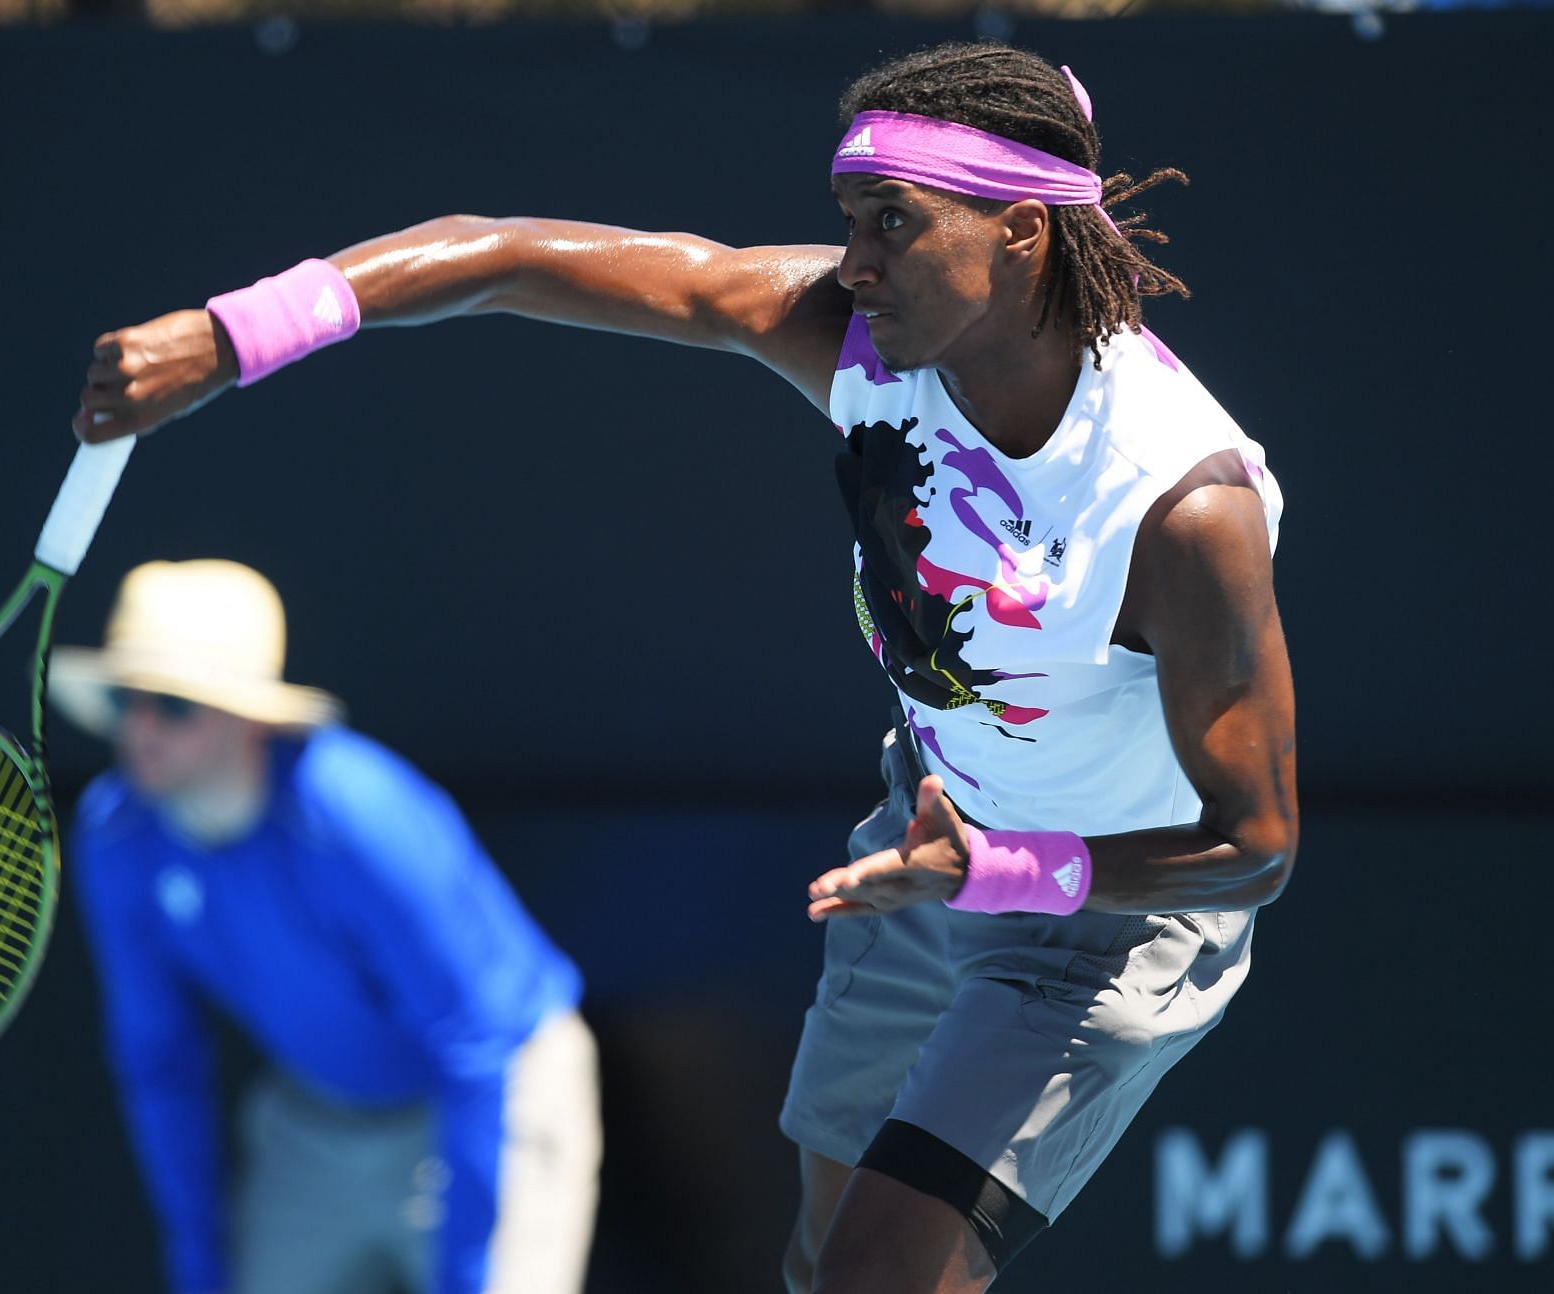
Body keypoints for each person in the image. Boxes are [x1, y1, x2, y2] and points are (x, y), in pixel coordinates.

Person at [65, 41, 1297, 1294]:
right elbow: (506, 257)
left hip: (1099, 913)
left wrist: (1003, 872)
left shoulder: (1179, 507)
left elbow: (1255, 845)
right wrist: (231, 338)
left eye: (893, 224)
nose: (853, 262)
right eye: (848, 223)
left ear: (1024, 233)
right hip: (928, 841)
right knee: (821, 1265)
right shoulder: (857, 338)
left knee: (880, 1275)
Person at [50, 558, 601, 1294]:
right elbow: (160, 1059)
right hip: (317, 1121)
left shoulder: (357, 816)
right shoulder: (116, 839)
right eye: (127, 699)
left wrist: (469, 1272)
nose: (141, 728)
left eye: (173, 704)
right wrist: (198, 1259)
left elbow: (476, 1044)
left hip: (495, 1090)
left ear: (246, 716)